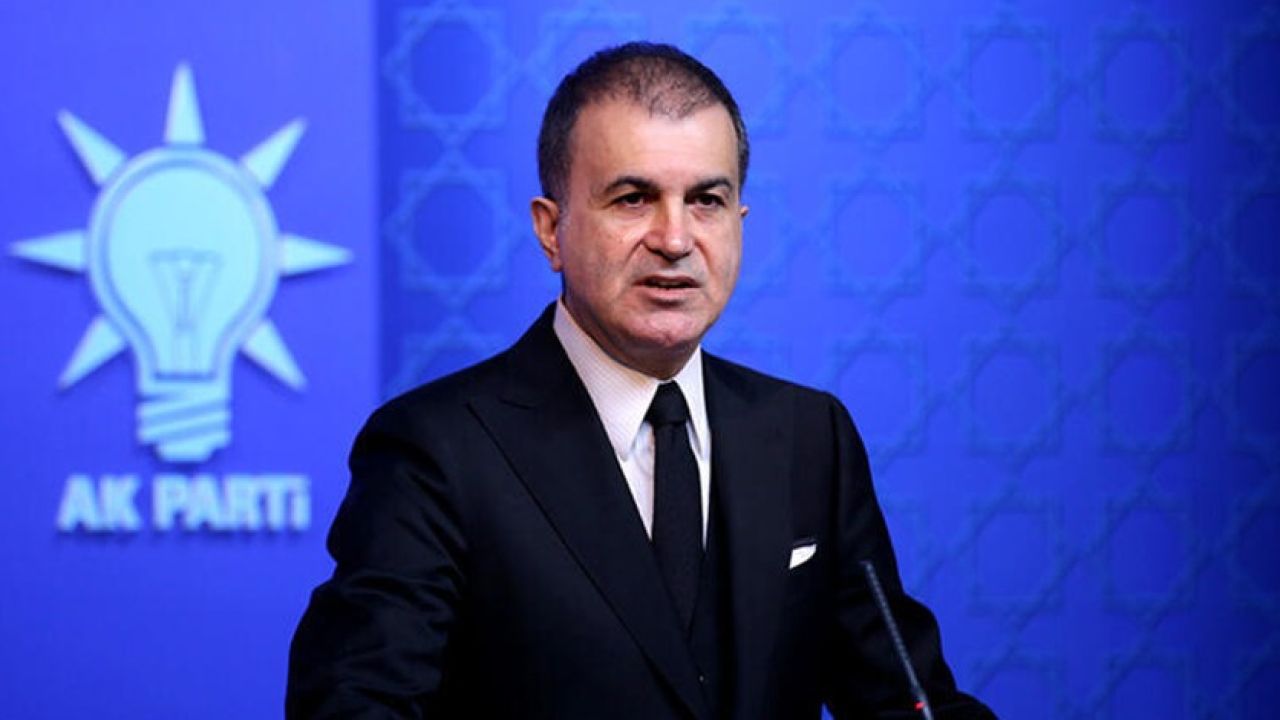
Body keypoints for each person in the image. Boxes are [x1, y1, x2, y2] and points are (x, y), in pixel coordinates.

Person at [287, 42, 997, 719]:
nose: (676, 239)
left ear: (740, 221)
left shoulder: (811, 437)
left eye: (707, 200)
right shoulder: (435, 450)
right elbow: (356, 705)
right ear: (550, 229)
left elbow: (906, 700)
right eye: (633, 198)